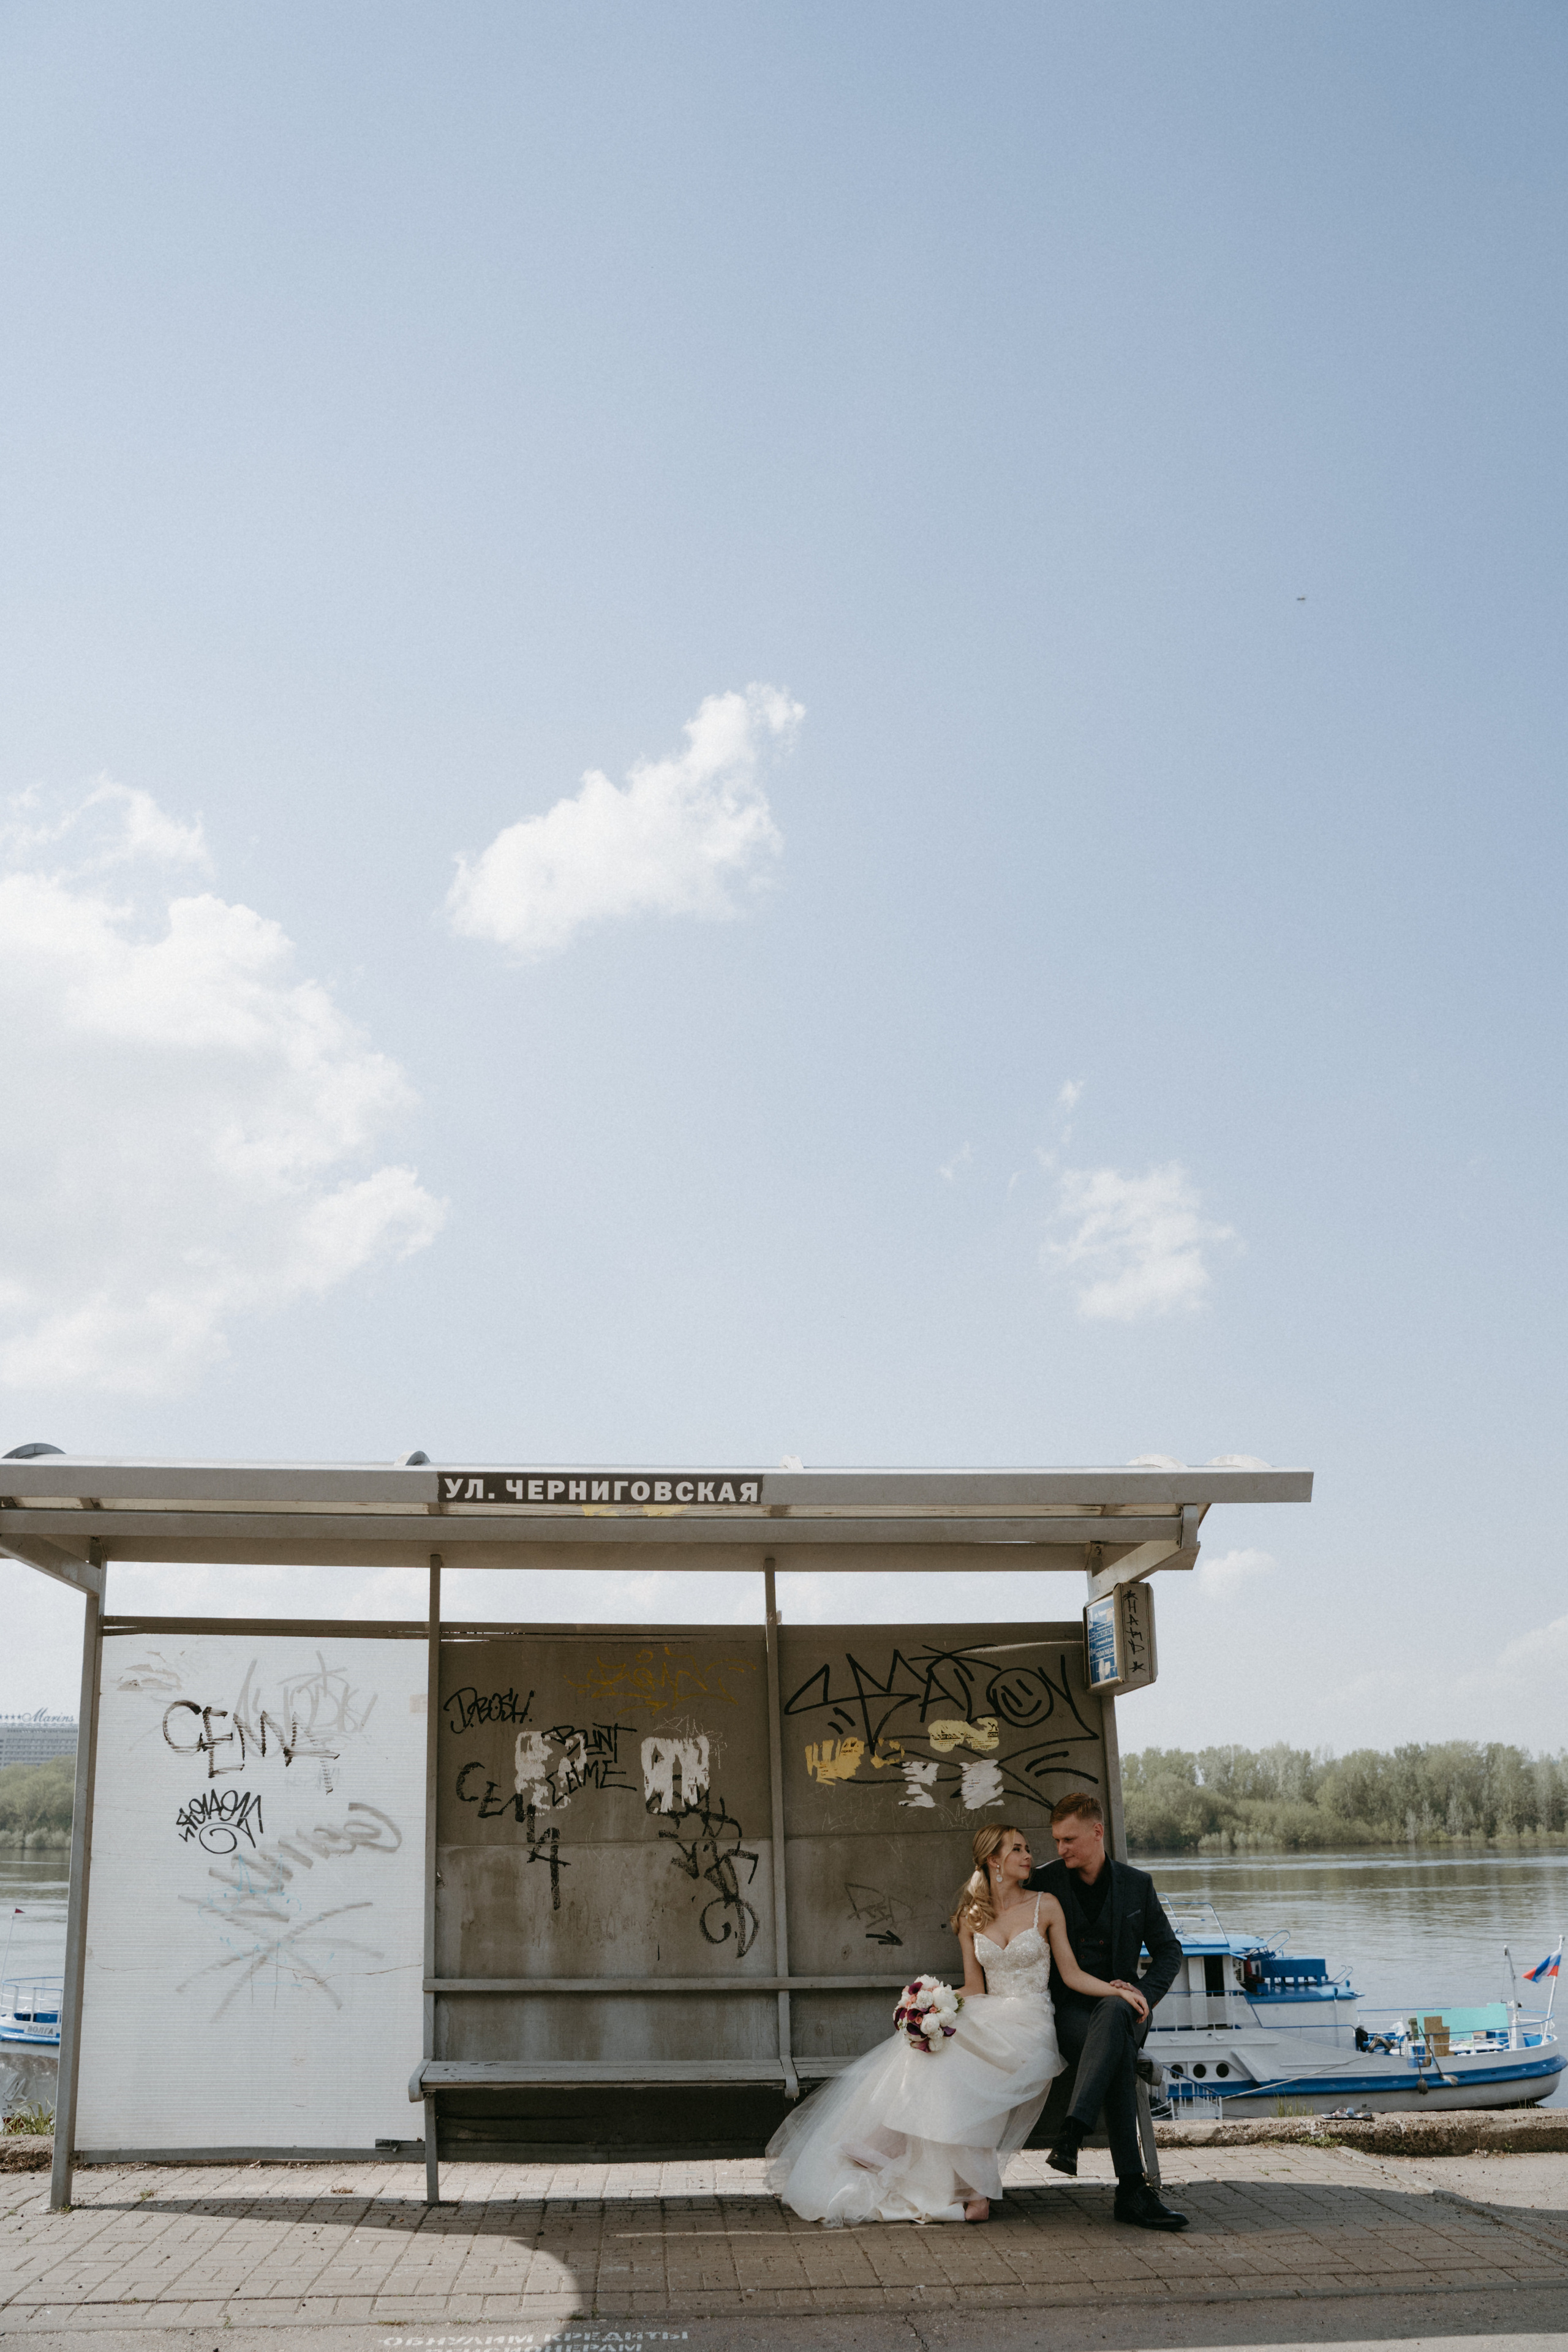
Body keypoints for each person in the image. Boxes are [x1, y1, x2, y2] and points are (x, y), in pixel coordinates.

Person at [766, 1822, 1147, 2226]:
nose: (1028, 1856)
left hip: (1030, 2024)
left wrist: (1117, 1992)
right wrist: (928, 2003)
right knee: (933, 2047)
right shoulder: (972, 1915)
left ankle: (892, 2146)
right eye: (1017, 1849)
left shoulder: (1046, 1905)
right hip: (989, 2011)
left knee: (961, 2062)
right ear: (993, 1860)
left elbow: (1070, 1975)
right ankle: (965, 2189)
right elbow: (975, 1987)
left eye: (1027, 1849)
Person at [1025, 1789, 1189, 2231]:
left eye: (1069, 1840)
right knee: (1116, 2047)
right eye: (1057, 1840)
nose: (1061, 1849)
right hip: (1070, 2015)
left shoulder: (1138, 1885)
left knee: (1116, 2017)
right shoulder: (1045, 1883)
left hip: (1129, 2011)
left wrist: (1139, 1993)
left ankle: (1073, 2133)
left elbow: (1170, 1953)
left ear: (1097, 1832)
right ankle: (1131, 2191)